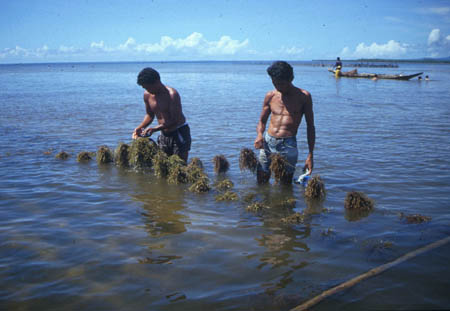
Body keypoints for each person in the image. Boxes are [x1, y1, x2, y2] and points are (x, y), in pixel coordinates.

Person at [254, 61, 315, 184]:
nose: (278, 86)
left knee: (285, 184)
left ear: (291, 79)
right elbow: (262, 121)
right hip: (267, 142)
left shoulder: (304, 97)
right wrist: (259, 135)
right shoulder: (270, 96)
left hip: (288, 145)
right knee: (261, 180)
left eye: (281, 83)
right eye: (274, 83)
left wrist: (310, 155)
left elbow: (310, 127)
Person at [133, 67, 191, 162]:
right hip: (163, 134)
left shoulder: (172, 95)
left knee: (180, 165)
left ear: (157, 81)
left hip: (179, 132)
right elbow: (149, 115)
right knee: (163, 163)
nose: (146, 89)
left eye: (147, 87)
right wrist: (140, 127)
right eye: (144, 87)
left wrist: (155, 129)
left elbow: (175, 120)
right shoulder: (147, 95)